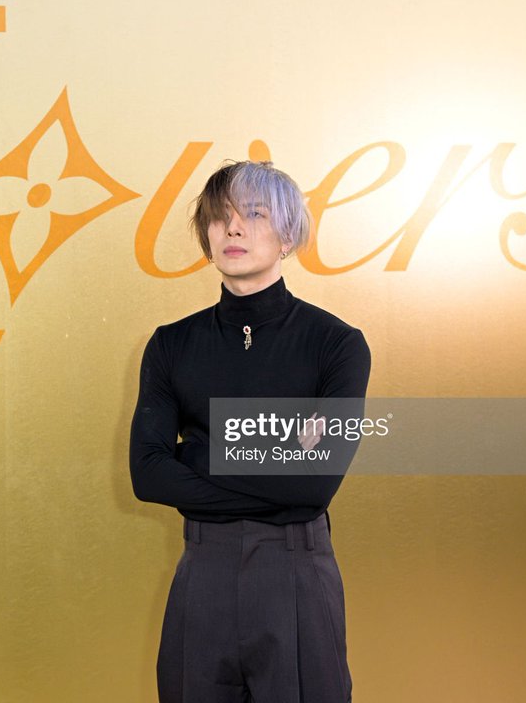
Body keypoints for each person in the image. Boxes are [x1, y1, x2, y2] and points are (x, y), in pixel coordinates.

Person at [129, 160, 371, 702]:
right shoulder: (171, 344)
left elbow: (312, 485)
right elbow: (147, 474)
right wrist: (277, 455)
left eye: (255, 214)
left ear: (287, 235)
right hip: (201, 576)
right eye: (220, 216)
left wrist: (194, 454)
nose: (233, 228)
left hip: (296, 578)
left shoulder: (336, 344)